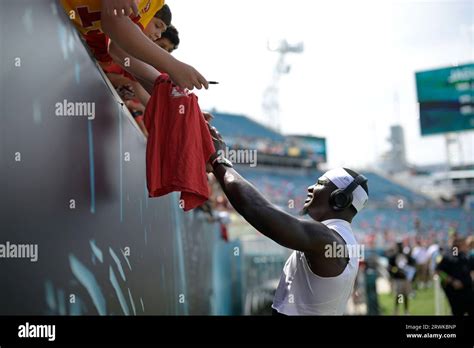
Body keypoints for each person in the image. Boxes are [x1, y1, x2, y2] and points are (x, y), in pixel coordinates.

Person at [206, 125, 369, 315]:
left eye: (320, 183)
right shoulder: (341, 239)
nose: (310, 187)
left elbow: (255, 209)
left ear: (339, 198)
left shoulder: (326, 238)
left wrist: (219, 161)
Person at [60, 0, 208, 90]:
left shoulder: (157, 2)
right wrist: (172, 66)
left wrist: (168, 88)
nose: (158, 35)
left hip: (59, 31)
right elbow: (114, 21)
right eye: (157, 26)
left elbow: (118, 49)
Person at [436, 237, 474, 315]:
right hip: (454, 292)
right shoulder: (450, 256)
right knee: (458, 311)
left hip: (468, 290)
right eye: (463, 243)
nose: (466, 245)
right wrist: (452, 281)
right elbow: (439, 271)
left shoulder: (466, 256)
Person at [388, 241, 416, 315]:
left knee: (406, 295)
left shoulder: (405, 255)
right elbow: (390, 268)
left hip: (405, 279)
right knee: (399, 295)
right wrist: (396, 271)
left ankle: (406, 311)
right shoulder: (394, 256)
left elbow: (412, 263)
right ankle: (397, 310)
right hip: (398, 279)